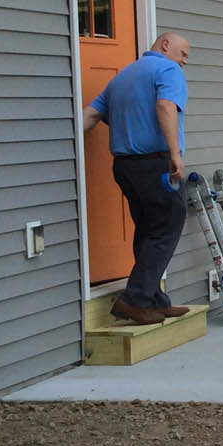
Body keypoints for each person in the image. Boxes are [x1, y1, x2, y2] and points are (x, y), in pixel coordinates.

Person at [82, 31, 192, 325]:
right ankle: (134, 299)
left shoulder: (122, 77)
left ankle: (155, 300)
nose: (184, 62)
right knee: (167, 226)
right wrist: (175, 155)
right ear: (165, 45)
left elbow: (90, 116)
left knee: (147, 230)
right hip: (156, 164)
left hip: (125, 167)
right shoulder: (167, 70)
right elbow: (165, 106)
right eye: (183, 54)